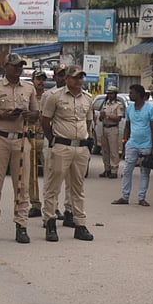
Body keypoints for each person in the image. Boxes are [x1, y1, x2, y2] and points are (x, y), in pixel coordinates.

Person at [0, 53, 39, 244]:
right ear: (6, 67)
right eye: (14, 66)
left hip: (21, 140)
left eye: (20, 66)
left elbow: (36, 113)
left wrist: (30, 114)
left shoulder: (29, 88)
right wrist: (2, 116)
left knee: (21, 185)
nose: (18, 69)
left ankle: (21, 225)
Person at [40, 65, 95, 242]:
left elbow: (88, 122)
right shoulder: (54, 97)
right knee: (53, 186)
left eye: (81, 77)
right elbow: (45, 120)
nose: (79, 80)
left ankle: (80, 224)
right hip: (61, 145)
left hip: (80, 148)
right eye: (75, 77)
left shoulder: (87, 98)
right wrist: (53, 140)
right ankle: (50, 222)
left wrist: (85, 141)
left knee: (78, 188)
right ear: (67, 79)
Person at [112, 84, 153, 206]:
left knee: (144, 172)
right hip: (132, 143)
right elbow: (127, 126)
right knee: (127, 170)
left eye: (132, 93)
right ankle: (125, 196)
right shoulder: (130, 109)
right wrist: (124, 141)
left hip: (146, 145)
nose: (130, 95)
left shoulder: (150, 109)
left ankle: (141, 198)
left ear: (139, 94)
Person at [43, 64, 76, 226]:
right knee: (52, 179)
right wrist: (51, 140)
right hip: (54, 142)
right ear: (54, 77)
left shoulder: (80, 95)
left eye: (65, 75)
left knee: (72, 180)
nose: (62, 78)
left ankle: (69, 210)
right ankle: (51, 211)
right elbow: (45, 120)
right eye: (60, 75)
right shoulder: (49, 95)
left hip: (73, 145)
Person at [28, 69, 49, 218]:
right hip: (31, 137)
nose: (41, 82)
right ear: (33, 80)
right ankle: (35, 204)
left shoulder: (49, 97)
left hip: (46, 138)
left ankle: (51, 205)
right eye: (38, 79)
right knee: (32, 174)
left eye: (43, 79)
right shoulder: (28, 96)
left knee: (50, 174)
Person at [99, 85, 124, 179]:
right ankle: (107, 169)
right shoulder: (105, 104)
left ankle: (114, 170)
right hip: (104, 127)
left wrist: (108, 116)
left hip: (113, 128)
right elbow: (101, 118)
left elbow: (119, 118)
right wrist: (102, 116)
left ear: (115, 94)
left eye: (111, 93)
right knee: (105, 150)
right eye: (108, 93)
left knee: (114, 151)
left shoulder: (118, 105)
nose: (109, 95)